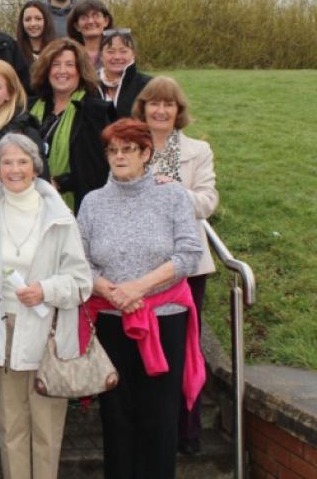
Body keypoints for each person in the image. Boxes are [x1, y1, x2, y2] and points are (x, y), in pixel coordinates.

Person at [76, 118, 205, 479]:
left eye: (127, 149)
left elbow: (188, 254)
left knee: (160, 415)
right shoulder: (92, 202)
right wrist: (110, 291)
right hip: (111, 321)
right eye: (112, 150)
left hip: (164, 319)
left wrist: (139, 288)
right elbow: (78, 261)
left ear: (146, 152)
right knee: (116, 414)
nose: (118, 157)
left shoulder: (173, 195)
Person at [0, 133, 92, 479]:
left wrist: (44, 289)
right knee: (10, 430)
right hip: (1, 333)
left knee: (46, 432)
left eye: (22, 162)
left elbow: (81, 282)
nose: (15, 169)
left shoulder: (59, 217)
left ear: (35, 168)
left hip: (46, 335)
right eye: (7, 163)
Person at [132, 76, 219, 455]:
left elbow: (208, 201)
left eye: (169, 105)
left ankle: (188, 431)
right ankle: (145, 426)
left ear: (178, 111)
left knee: (185, 348)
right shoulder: (130, 145)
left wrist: (175, 192)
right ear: (144, 108)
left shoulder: (198, 150)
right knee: (142, 346)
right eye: (154, 103)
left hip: (185, 267)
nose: (161, 110)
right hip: (138, 265)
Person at [29, 38, 110, 212]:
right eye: (56, 64)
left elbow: (98, 170)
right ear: (46, 69)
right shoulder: (29, 109)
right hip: (30, 203)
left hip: (77, 208)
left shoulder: (95, 111)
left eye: (69, 65)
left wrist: (59, 182)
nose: (62, 71)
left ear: (80, 70)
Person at [98, 28, 151, 120]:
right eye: (111, 52)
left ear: (133, 54)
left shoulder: (149, 85)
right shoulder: (88, 85)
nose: (117, 57)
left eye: (123, 51)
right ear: (101, 56)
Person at [67, 0, 114, 69]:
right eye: (84, 17)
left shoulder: (118, 53)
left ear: (106, 21)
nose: (90, 21)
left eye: (96, 16)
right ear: (77, 26)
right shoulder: (70, 54)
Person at [16, 0, 55, 66]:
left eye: (38, 18)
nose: (33, 24)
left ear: (46, 21)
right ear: (22, 23)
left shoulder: (56, 50)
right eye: (28, 19)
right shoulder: (15, 52)